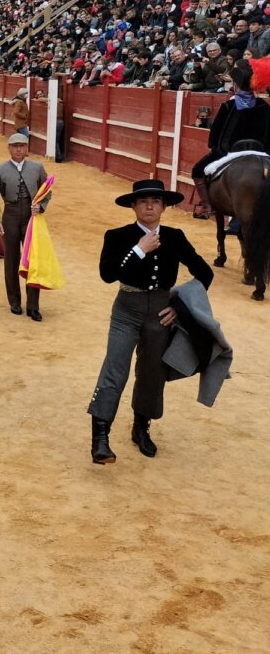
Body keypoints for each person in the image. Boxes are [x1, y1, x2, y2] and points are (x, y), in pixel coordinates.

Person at [87, 180, 214, 465]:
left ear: (164, 207)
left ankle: (141, 427)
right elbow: (107, 275)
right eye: (143, 201)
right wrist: (139, 250)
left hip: (160, 314)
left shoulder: (175, 236)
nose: (149, 206)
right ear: (133, 206)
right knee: (114, 368)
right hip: (126, 311)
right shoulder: (118, 236)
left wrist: (180, 307)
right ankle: (100, 438)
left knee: (152, 372)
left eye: (156, 201)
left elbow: (204, 273)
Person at [189, 59, 270, 218]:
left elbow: (216, 135)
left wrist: (215, 147)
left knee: (197, 170)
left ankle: (207, 207)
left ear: (236, 85)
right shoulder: (265, 106)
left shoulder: (229, 105)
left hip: (231, 152)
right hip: (261, 153)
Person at [0, 133, 51, 320]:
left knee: (33, 261)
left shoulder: (37, 168)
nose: (19, 149)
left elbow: (47, 191)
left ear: (27, 147)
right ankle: (14, 301)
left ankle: (33, 306)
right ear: (9, 148)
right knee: (12, 260)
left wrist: (41, 206)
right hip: (10, 217)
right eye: (15, 146)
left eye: (22, 146)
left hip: (32, 219)